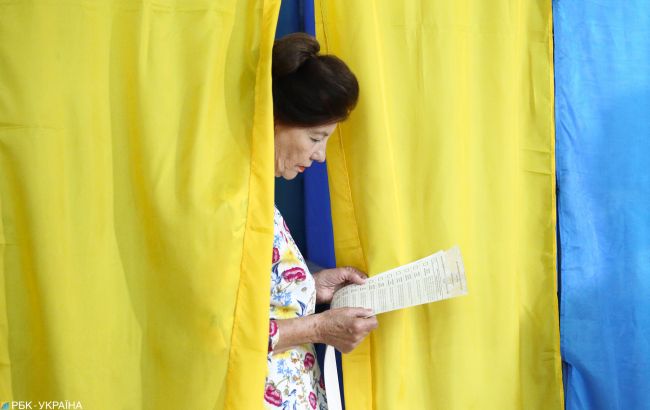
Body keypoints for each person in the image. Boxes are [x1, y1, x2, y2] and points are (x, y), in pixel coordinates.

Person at [263, 33, 378, 410]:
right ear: (275, 120)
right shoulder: (226, 204)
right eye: (316, 137)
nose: (320, 156)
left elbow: (255, 298)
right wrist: (320, 328)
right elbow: (218, 330)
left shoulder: (262, 200)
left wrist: (310, 286)